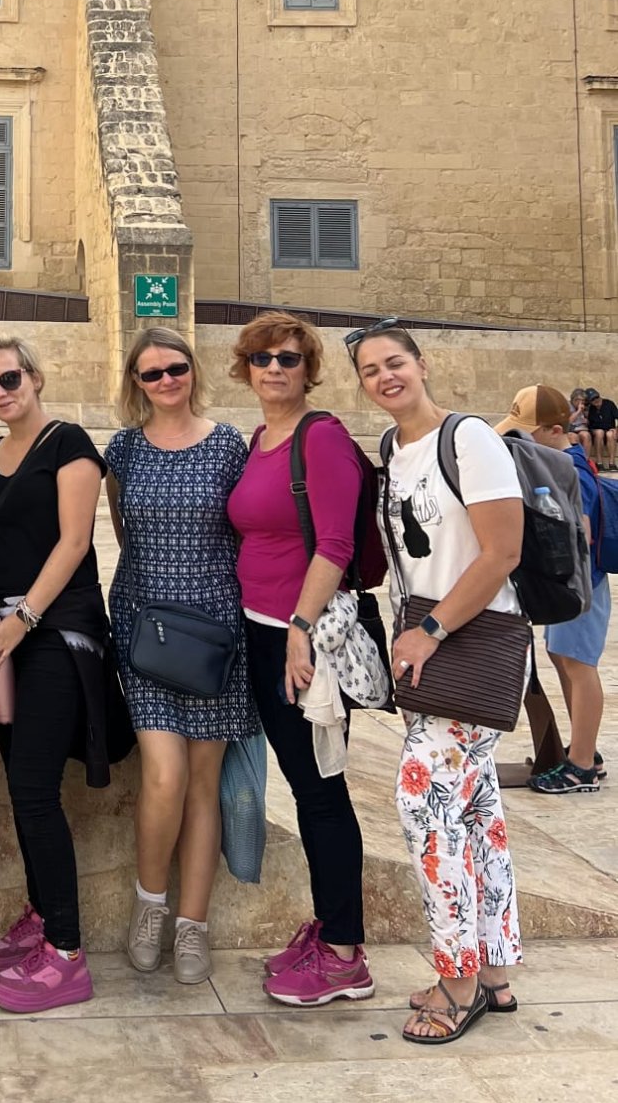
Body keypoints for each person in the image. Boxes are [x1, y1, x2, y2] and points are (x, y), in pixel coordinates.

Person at [352, 320, 522, 1041]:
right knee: (477, 812)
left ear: (422, 364)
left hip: (468, 639)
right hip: (432, 643)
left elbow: (502, 551)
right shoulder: (393, 449)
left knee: (423, 804)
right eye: (370, 370)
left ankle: (457, 983)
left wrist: (431, 630)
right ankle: (495, 971)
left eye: (395, 362)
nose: (385, 377)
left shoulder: (469, 438)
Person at [0, 334, 113, 1014]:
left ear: (36, 377)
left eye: (10, 378)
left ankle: (67, 952)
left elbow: (74, 542)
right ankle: (43, 912)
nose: (0, 392)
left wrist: (21, 620)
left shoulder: (68, 443)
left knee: (34, 788)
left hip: (56, 633)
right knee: (20, 787)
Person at [226, 313, 375, 1006]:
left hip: (301, 642)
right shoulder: (259, 441)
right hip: (261, 634)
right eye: (262, 358)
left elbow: (336, 544)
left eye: (289, 358)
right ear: (246, 368)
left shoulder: (322, 438)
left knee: (320, 791)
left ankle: (344, 955)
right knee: (303, 782)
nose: (274, 368)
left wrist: (300, 628)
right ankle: (329, 926)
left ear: (308, 369)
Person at [105, 326, 254, 987]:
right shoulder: (123, 449)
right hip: (145, 628)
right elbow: (124, 531)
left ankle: (193, 923)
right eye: (152, 373)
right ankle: (150, 905)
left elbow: (241, 531)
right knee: (163, 775)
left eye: (176, 368)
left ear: (193, 370)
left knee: (202, 782)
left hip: (215, 634)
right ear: (136, 383)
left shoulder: (227, 445)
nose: (166, 381)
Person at [496, 385, 610, 796]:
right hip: (568, 586)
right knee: (564, 659)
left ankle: (582, 766)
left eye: (527, 434)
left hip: (582, 585)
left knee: (579, 666)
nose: (522, 442)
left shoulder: (571, 470)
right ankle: (584, 749)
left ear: (555, 430)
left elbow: (582, 534)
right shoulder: (557, 464)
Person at [589, 389, 618, 472]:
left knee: (610, 434)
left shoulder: (609, 404)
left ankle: (612, 463)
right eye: (593, 399)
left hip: (609, 429)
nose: (596, 400)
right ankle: (599, 463)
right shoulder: (591, 408)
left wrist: (616, 429)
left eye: (597, 397)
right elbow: (589, 424)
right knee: (599, 432)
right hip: (596, 430)